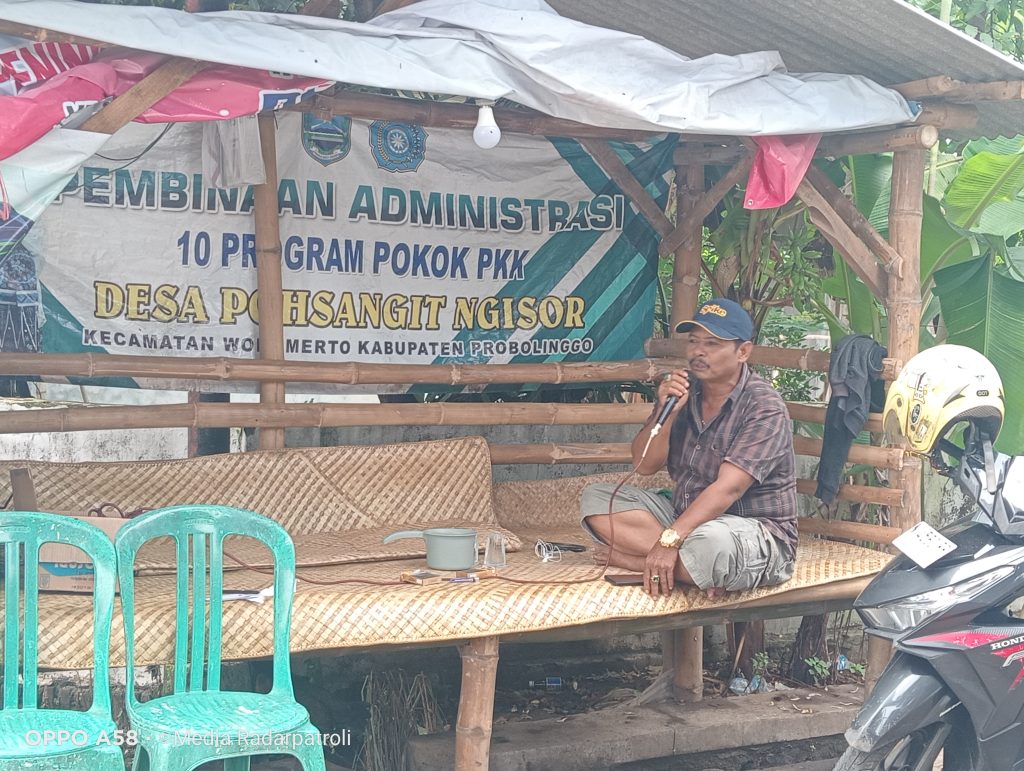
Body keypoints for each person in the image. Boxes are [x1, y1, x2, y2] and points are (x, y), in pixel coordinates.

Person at [580, 297, 797, 598]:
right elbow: (645, 465)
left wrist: (669, 541)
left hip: (749, 529)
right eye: (694, 341)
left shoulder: (764, 406)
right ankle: (693, 569)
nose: (698, 351)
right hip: (687, 519)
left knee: (712, 544)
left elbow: (728, 490)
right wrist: (665, 412)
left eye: (712, 343)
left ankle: (638, 561)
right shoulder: (683, 392)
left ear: (743, 351)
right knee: (597, 499)